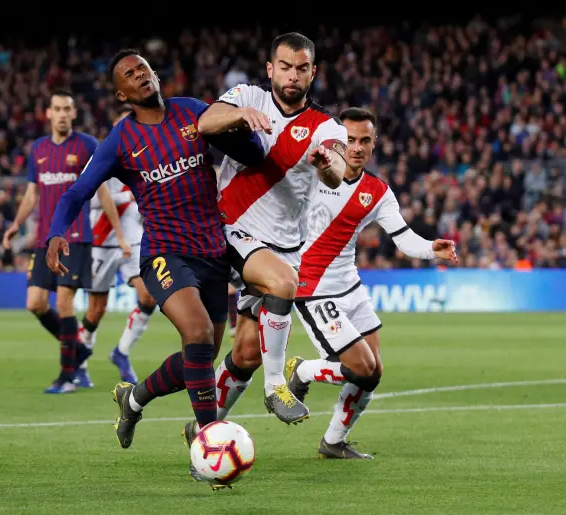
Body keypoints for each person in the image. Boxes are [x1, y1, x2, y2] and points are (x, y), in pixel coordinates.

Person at [44, 49, 264, 483]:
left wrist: (244, 124)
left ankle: (135, 399)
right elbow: (77, 192)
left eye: (143, 68)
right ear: (122, 93)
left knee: (199, 356)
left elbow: (252, 154)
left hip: (213, 252)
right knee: (198, 334)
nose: (140, 75)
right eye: (129, 74)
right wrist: (56, 232)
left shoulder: (192, 112)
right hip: (164, 252)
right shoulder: (120, 140)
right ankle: (210, 444)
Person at [284, 107, 457, 458]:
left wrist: (430, 249)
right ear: (336, 140)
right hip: (313, 289)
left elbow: (404, 237)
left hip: (351, 286)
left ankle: (333, 442)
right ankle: (302, 370)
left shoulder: (377, 190)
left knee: (374, 372)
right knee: (360, 368)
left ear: (374, 143)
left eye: (365, 140)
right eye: (349, 140)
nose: (357, 147)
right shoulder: (311, 175)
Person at [197, 32, 348, 425]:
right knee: (282, 283)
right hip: (232, 227)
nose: (292, 76)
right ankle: (275, 385)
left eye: (301, 69)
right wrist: (238, 115)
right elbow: (205, 121)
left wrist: (323, 163)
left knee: (246, 352)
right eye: (285, 67)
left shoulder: (327, 127)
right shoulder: (248, 96)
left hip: (283, 244)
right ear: (271, 69)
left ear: (312, 73)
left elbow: (337, 174)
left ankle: (205, 428)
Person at [2, 89, 124, 394]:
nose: (61, 113)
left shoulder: (86, 146)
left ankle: (67, 376)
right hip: (46, 239)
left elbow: (104, 192)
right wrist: (16, 224)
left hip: (76, 237)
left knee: (65, 301)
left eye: (67, 108)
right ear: (48, 113)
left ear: (73, 113)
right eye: (56, 108)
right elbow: (33, 193)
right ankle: (78, 351)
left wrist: (119, 233)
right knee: (35, 303)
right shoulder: (39, 149)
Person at [78, 105, 156, 385]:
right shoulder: (102, 156)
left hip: (133, 241)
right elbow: (97, 197)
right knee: (96, 310)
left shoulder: (146, 156)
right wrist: (130, 200)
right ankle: (80, 362)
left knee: (149, 297)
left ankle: (121, 352)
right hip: (104, 242)